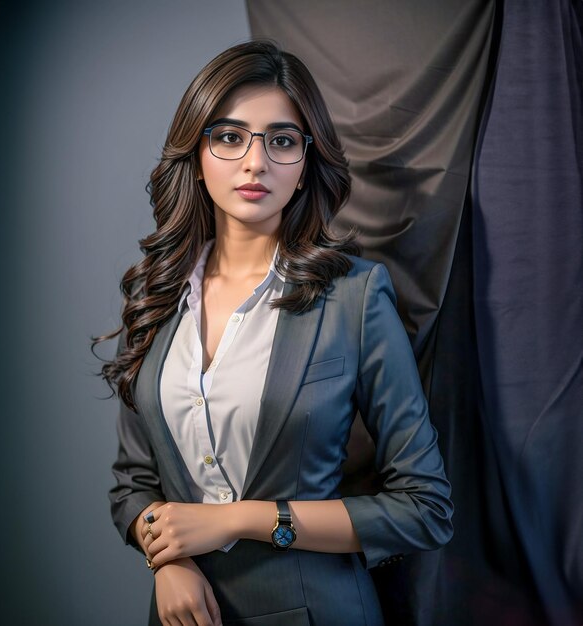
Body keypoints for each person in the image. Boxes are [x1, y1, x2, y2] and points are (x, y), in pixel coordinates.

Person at [96, 40, 453, 626]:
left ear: (307, 159)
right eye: (230, 137)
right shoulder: (153, 294)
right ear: (198, 150)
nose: (255, 163)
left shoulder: (356, 297)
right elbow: (133, 483)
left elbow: (424, 508)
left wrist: (238, 518)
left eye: (281, 141)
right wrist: (168, 563)